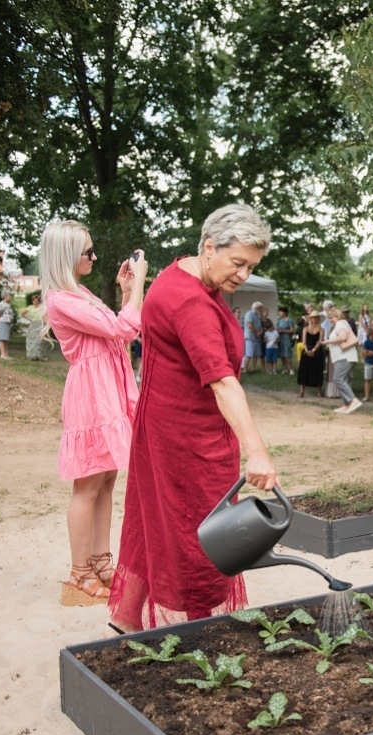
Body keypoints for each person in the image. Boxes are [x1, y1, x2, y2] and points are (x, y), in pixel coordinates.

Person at [109, 203, 277, 631]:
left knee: (156, 525)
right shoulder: (191, 303)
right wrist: (257, 451)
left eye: (251, 266)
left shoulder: (180, 275)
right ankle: (201, 631)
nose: (242, 275)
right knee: (199, 535)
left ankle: (128, 623)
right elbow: (222, 382)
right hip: (188, 438)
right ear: (208, 247)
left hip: (164, 427)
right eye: (237, 262)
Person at [39, 220, 146, 606]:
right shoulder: (61, 300)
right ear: (68, 256)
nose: (95, 257)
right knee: (87, 485)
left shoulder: (78, 292)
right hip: (91, 394)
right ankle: (79, 575)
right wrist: (140, 288)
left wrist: (127, 292)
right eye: (88, 252)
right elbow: (122, 329)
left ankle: (101, 562)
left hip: (108, 390)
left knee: (106, 480)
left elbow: (118, 330)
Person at [322, 307, 361, 413]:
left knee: (338, 378)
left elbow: (343, 337)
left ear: (336, 316)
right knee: (344, 380)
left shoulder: (340, 324)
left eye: (331, 317)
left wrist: (328, 342)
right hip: (343, 357)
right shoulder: (340, 325)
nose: (330, 320)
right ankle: (346, 405)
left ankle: (353, 400)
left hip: (345, 357)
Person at [296, 311, 325, 397]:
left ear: (318, 318)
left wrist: (313, 350)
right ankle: (302, 390)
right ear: (310, 318)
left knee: (318, 370)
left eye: (316, 317)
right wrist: (307, 350)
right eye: (312, 317)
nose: (314, 319)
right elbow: (304, 341)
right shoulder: (305, 329)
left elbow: (320, 342)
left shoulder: (321, 329)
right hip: (306, 350)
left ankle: (319, 391)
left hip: (317, 350)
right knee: (303, 370)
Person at [19, 292, 49, 360]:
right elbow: (22, 313)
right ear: (32, 301)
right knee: (32, 340)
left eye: (36, 301)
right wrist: (30, 319)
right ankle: (32, 355)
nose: (35, 302)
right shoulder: (30, 308)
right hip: (33, 324)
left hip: (40, 324)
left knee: (40, 340)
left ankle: (41, 355)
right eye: (34, 301)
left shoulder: (41, 307)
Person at [241, 301, 264, 374]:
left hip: (256, 338)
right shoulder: (249, 314)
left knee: (255, 354)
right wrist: (257, 332)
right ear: (257, 308)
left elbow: (259, 325)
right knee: (249, 354)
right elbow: (250, 324)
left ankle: (253, 369)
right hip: (250, 337)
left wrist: (260, 332)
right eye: (260, 309)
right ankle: (245, 369)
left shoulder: (257, 316)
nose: (261, 310)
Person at [0, 290, 15, 360]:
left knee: (5, 339)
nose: (10, 297)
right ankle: (2, 354)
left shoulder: (8, 305)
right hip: (2, 322)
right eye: (9, 296)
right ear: (5, 296)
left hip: (7, 323)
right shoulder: (1, 305)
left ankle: (6, 354)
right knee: (2, 339)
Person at [275, 307, 294, 375]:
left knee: (287, 355)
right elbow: (276, 328)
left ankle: (291, 369)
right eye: (279, 311)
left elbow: (292, 330)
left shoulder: (289, 320)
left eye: (281, 311)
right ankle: (285, 369)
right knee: (282, 355)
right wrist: (278, 330)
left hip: (287, 339)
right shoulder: (279, 320)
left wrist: (284, 331)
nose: (279, 313)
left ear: (285, 312)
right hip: (280, 339)